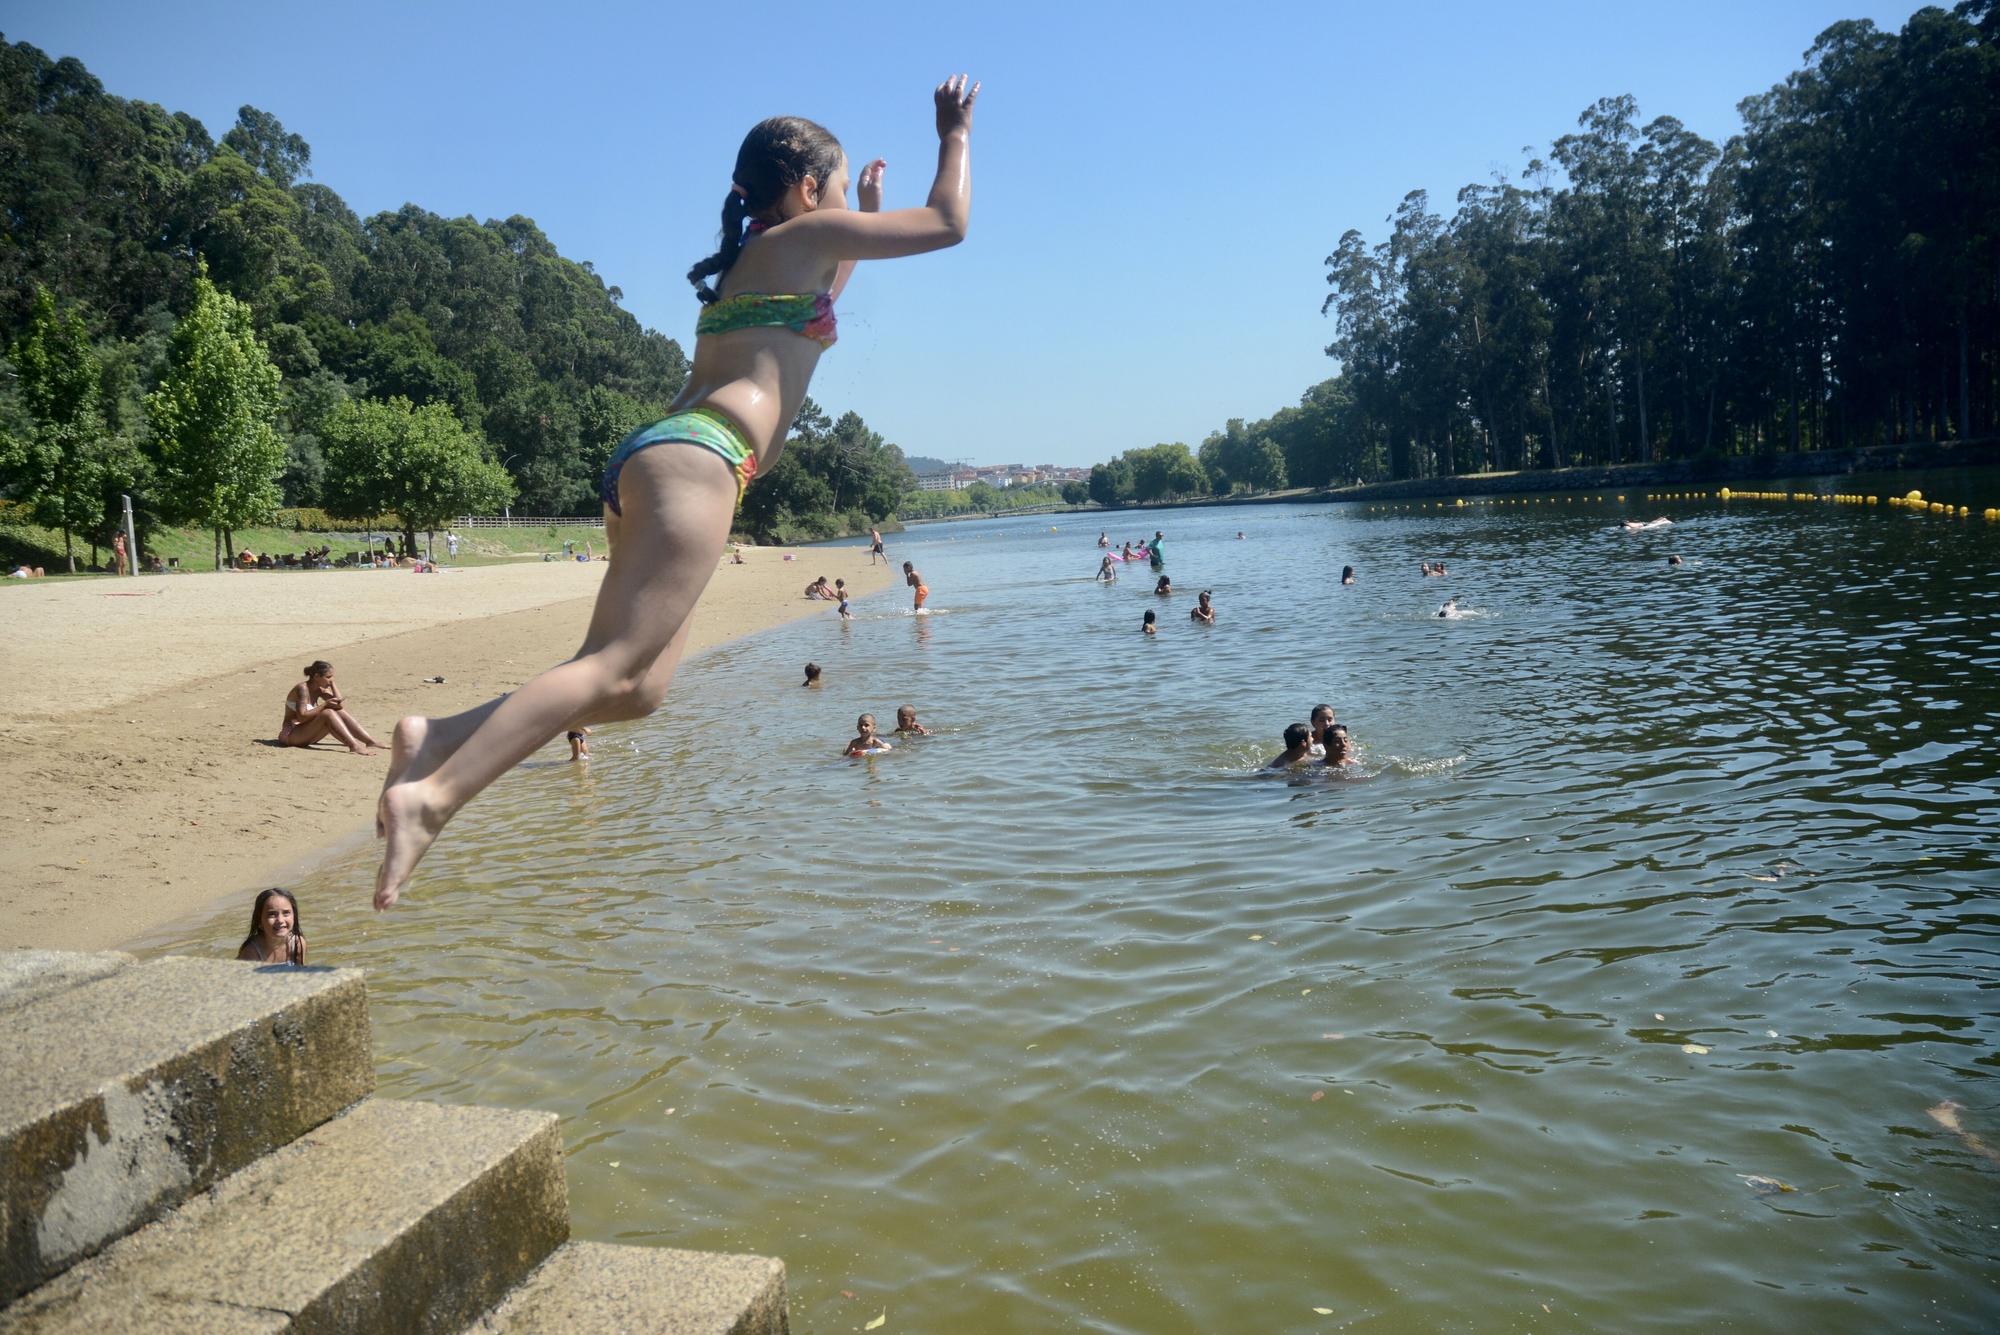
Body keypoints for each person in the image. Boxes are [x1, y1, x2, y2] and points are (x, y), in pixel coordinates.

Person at [372, 76, 978, 907]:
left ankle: (434, 735)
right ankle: (431, 798)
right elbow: (948, 225)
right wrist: (954, 134)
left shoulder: (763, 259)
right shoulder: (800, 237)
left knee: (641, 689)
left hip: (668, 462)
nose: (848, 210)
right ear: (808, 190)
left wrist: (865, 208)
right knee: (611, 664)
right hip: (700, 460)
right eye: (838, 193)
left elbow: (829, 291)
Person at [280, 661, 382, 754]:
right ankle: (354, 746)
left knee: (336, 710)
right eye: (328, 677)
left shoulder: (319, 689)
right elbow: (302, 717)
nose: (331, 680)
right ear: (316, 676)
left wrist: (332, 684)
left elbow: (339, 705)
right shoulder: (302, 688)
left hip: (307, 734)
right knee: (327, 712)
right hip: (291, 734)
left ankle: (370, 741)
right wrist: (324, 705)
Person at [237, 888, 307, 966]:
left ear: (294, 916)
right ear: (260, 922)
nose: (280, 920)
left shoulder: (297, 944)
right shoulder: (251, 953)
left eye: (286, 913)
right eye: (272, 914)